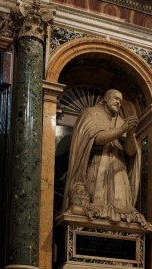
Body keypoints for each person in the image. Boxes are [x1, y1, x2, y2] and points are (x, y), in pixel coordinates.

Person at [61, 89, 145, 225]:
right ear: (105, 99)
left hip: (119, 172)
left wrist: (130, 134)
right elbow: (98, 138)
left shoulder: (120, 121)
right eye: (115, 98)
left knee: (122, 209)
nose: (118, 102)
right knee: (95, 204)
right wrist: (122, 129)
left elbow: (130, 152)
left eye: (121, 100)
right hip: (98, 166)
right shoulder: (92, 114)